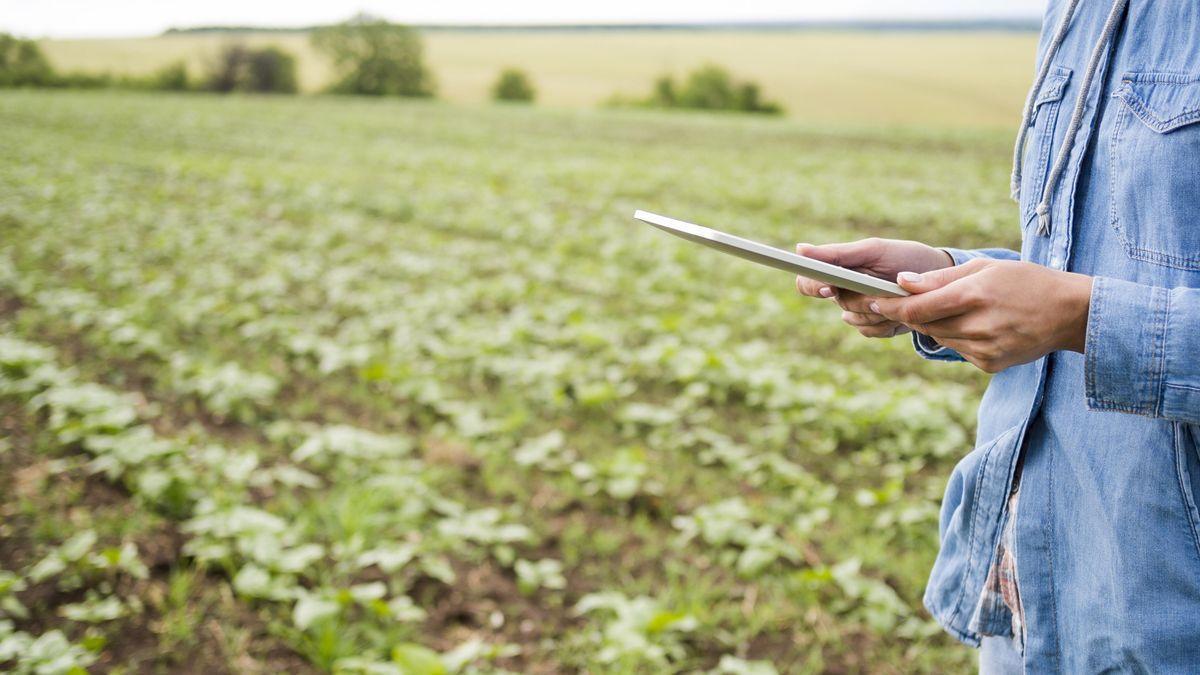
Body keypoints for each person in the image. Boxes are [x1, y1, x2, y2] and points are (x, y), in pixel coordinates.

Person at [796, 0, 1200, 671]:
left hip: (1166, 611)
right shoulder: (1076, 12)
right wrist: (940, 277)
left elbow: (1081, 301)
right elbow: (1082, 267)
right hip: (1032, 587)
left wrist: (1081, 317)